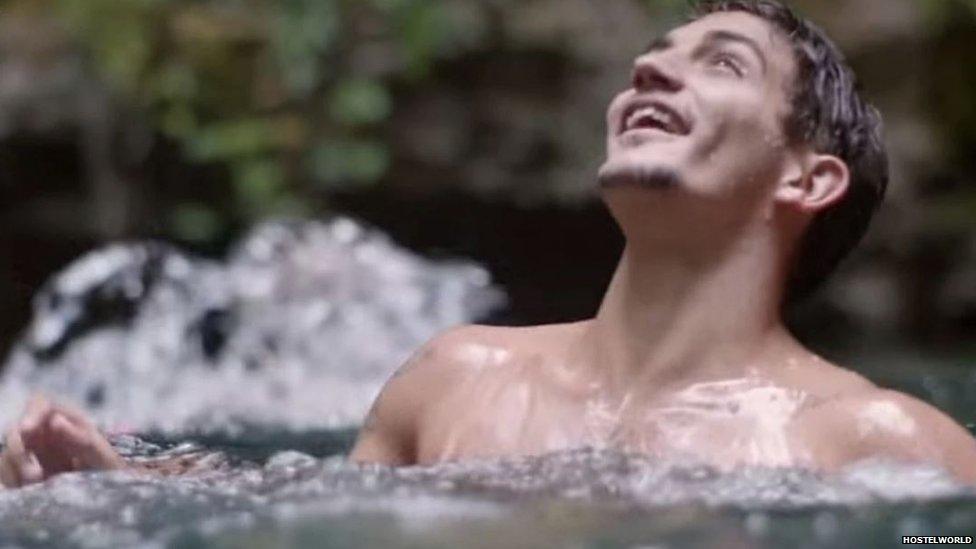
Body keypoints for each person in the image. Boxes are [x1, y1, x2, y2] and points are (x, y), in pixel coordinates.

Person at [3, 0, 976, 489]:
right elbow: (306, 525)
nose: (647, 66)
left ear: (807, 178)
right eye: (654, 54)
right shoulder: (452, 376)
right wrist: (115, 491)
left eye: (718, 63)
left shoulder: (878, 443)